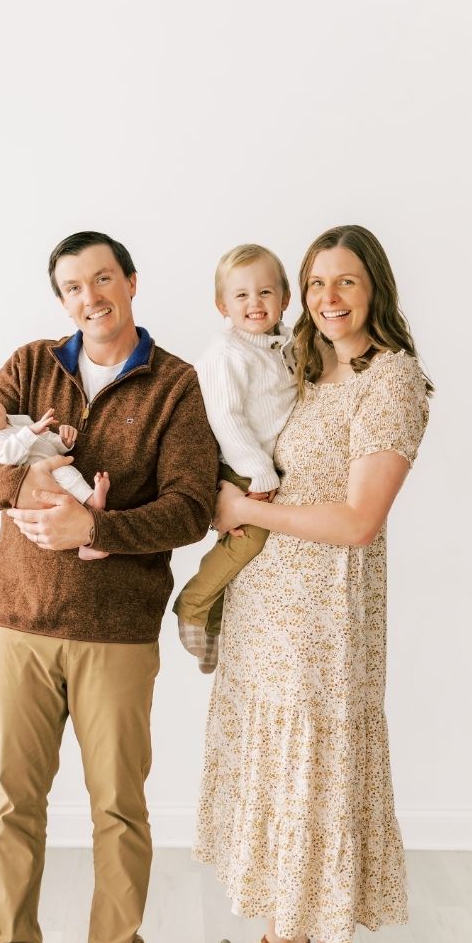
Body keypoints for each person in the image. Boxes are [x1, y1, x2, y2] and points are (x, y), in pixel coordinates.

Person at [0, 231, 219, 943]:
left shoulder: (175, 384)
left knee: (119, 807)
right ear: (61, 299)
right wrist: (23, 483)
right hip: (18, 622)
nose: (89, 297)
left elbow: (191, 506)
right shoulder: (31, 364)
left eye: (102, 279)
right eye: (72, 286)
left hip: (117, 630)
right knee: (13, 802)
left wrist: (96, 529)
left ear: (130, 282)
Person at [192, 224, 432, 943]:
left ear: (376, 290)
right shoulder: (302, 364)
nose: (329, 298)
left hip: (328, 619)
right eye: (317, 282)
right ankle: (288, 936)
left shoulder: (390, 381)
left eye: (347, 282)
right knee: (276, 770)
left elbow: (361, 519)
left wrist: (247, 511)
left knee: (320, 779)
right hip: (269, 608)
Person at [172, 243, 296, 672]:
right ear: (222, 305)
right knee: (250, 539)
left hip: (263, 464)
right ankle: (192, 605)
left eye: (265, 292)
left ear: (285, 298)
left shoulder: (281, 346)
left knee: (252, 554)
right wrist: (259, 472)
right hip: (242, 465)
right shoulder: (226, 354)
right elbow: (225, 417)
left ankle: (214, 627)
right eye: (241, 295)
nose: (254, 303)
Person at [0, 388, 111, 559]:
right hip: (39, 484)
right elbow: (8, 455)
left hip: (52, 465)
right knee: (62, 499)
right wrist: (31, 431)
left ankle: (88, 534)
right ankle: (93, 504)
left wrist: (63, 442)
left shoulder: (16, 420)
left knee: (68, 478)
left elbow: (45, 440)